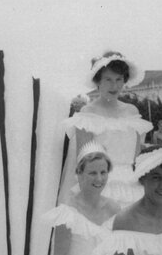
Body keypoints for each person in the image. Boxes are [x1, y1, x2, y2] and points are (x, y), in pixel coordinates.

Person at [38, 142, 121, 255]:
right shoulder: (68, 210)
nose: (99, 179)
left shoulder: (114, 209)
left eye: (103, 172)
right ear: (79, 174)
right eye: (92, 173)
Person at [60, 52, 152, 204]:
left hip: (131, 187)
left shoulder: (132, 111)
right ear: (98, 81)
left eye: (118, 79)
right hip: (100, 187)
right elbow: (83, 163)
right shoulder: (87, 114)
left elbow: (137, 158)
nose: (114, 86)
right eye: (108, 79)